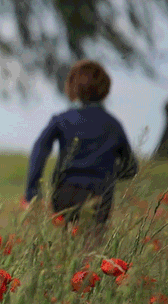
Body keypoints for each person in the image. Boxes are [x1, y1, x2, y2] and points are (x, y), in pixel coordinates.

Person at [23, 59, 138, 229]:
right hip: (100, 195)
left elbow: (39, 149)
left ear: (72, 87)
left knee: (66, 243)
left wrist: (32, 192)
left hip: (65, 193)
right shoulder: (113, 125)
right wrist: (107, 175)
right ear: (105, 90)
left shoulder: (61, 120)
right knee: (93, 245)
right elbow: (131, 167)